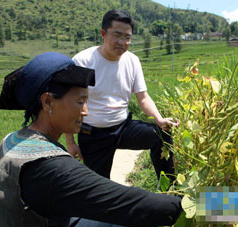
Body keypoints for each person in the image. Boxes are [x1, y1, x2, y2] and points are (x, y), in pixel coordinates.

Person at [0, 52, 182, 227]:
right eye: (79, 101)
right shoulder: (49, 168)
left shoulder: (14, 139)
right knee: (123, 221)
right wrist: (211, 206)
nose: (85, 111)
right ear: (48, 101)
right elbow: (131, 204)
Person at [65, 10, 178, 181]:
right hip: (93, 133)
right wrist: (71, 143)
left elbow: (143, 97)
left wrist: (159, 119)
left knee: (161, 135)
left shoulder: (132, 60)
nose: (122, 42)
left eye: (127, 37)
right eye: (117, 35)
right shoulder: (83, 62)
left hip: (123, 126)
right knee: (99, 188)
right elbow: (70, 105)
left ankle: (170, 190)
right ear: (103, 34)